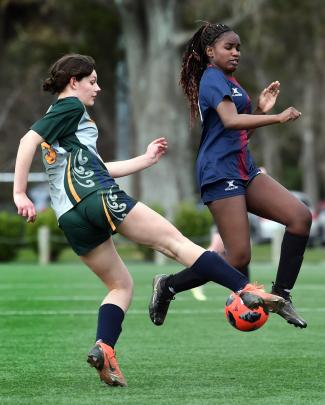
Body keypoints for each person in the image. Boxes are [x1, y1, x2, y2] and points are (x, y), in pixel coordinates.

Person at [13, 54, 285, 387]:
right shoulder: (70, 107)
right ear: (74, 82)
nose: (97, 88)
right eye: (93, 81)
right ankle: (247, 290)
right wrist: (20, 193)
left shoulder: (62, 122)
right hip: (98, 199)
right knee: (175, 243)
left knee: (120, 285)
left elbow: (97, 167)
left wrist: (144, 159)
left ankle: (104, 347)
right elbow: (28, 140)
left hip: (70, 216)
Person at [172, 22, 311, 328]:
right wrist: (276, 117)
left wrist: (260, 110)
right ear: (210, 52)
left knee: (300, 218)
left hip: (244, 169)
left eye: (238, 48)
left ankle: (282, 295)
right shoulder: (211, 78)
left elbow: (237, 132)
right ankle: (168, 286)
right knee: (237, 258)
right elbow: (231, 121)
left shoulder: (230, 82)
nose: (236, 52)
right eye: (228, 47)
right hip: (219, 173)